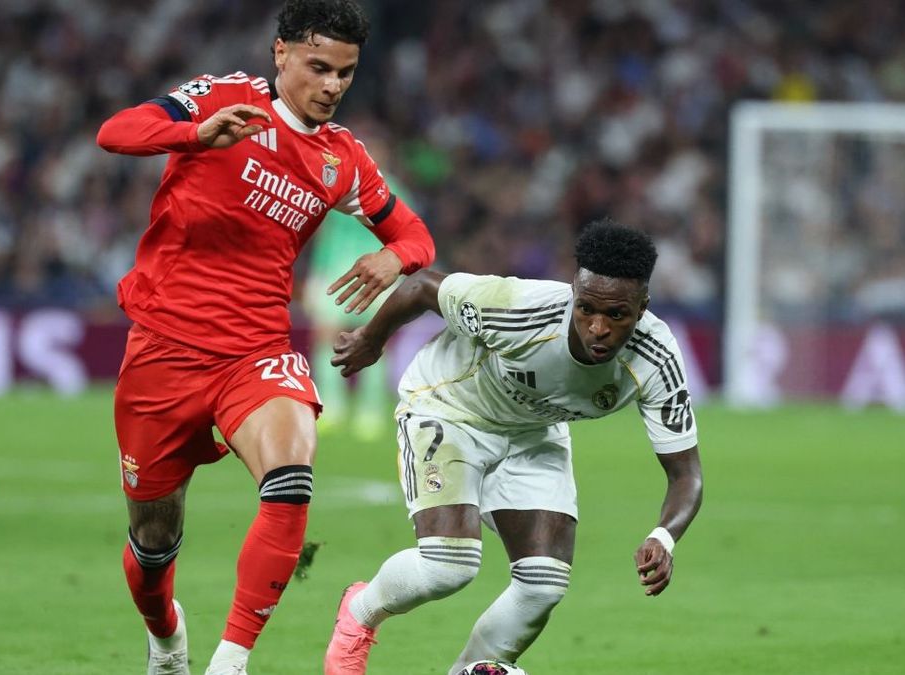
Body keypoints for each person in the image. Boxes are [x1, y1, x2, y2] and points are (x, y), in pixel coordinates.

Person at [95, 1, 436, 673]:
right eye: (319, 67)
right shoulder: (220, 98)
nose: (333, 85)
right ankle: (165, 636)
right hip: (163, 350)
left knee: (290, 478)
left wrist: (395, 258)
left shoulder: (342, 160)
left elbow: (414, 233)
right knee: (153, 539)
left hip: (255, 352)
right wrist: (195, 137)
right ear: (280, 54)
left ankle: (230, 660)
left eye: (346, 72)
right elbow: (115, 131)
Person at [323, 220, 703, 674]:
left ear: (642, 308)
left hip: (534, 432)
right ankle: (359, 615)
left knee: (543, 584)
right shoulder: (519, 309)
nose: (597, 328)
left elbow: (686, 474)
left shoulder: (656, 358)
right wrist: (370, 339)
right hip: (451, 406)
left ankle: (474, 670)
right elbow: (424, 287)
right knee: (450, 566)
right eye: (586, 309)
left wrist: (664, 536)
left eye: (616, 315)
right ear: (573, 293)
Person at [301, 132, 413, 440]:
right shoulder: (338, 188)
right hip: (338, 272)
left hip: (379, 275)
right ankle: (331, 406)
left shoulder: (395, 190)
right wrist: (316, 274)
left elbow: (405, 237)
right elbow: (322, 233)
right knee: (328, 337)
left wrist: (399, 272)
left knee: (376, 342)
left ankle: (371, 411)